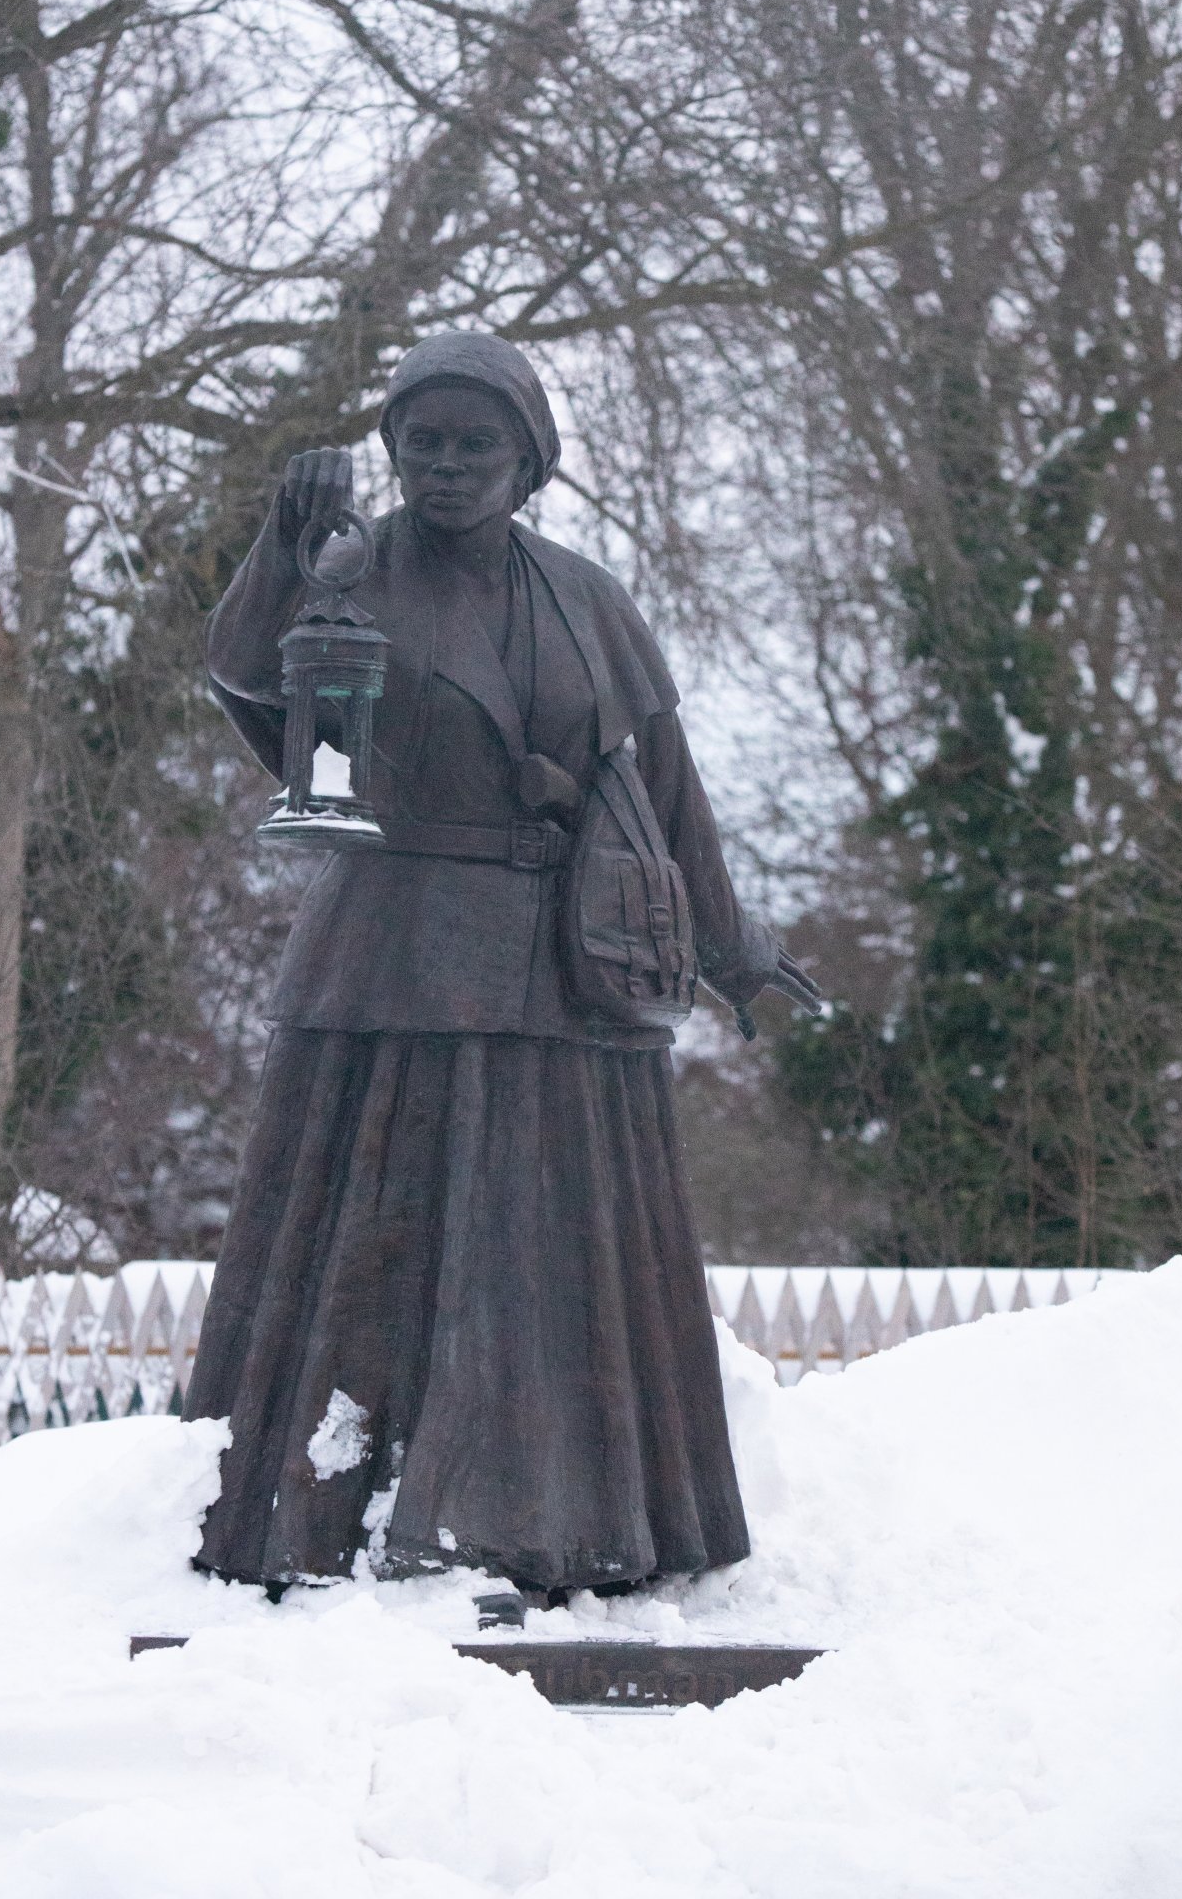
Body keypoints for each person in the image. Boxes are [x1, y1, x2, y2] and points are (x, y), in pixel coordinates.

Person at [184, 329, 818, 1599]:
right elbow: (253, 681)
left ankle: (563, 1519)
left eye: (478, 444)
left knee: (551, 1261)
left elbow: (661, 786)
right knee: (386, 1247)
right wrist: (280, 544)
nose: (448, 465)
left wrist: (729, 947)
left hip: (560, 975)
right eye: (424, 441)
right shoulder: (349, 575)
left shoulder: (588, 598)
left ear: (530, 460)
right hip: (395, 960)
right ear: (394, 453)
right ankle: (342, 1525)